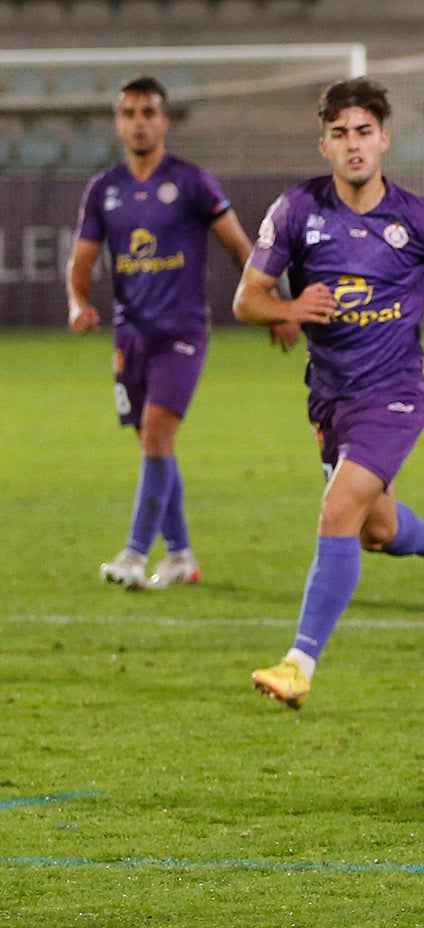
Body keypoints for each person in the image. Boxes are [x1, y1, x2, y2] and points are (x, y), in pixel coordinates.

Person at [233, 77, 424, 709]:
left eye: (364, 132)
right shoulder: (296, 210)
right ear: (325, 145)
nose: (353, 145)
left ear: (384, 140)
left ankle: (298, 663)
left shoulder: (422, 217)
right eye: (340, 134)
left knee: (337, 512)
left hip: (397, 391)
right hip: (330, 397)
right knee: (375, 530)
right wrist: (291, 304)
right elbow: (246, 300)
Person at [66, 75, 278, 591]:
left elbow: (238, 247)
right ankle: (180, 556)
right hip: (129, 334)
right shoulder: (104, 189)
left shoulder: (191, 182)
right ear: (119, 123)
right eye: (129, 113)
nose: (139, 121)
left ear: (164, 120)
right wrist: (78, 303)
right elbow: (82, 262)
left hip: (182, 332)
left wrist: (270, 302)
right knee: (152, 445)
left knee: (158, 435)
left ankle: (135, 556)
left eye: (148, 112)